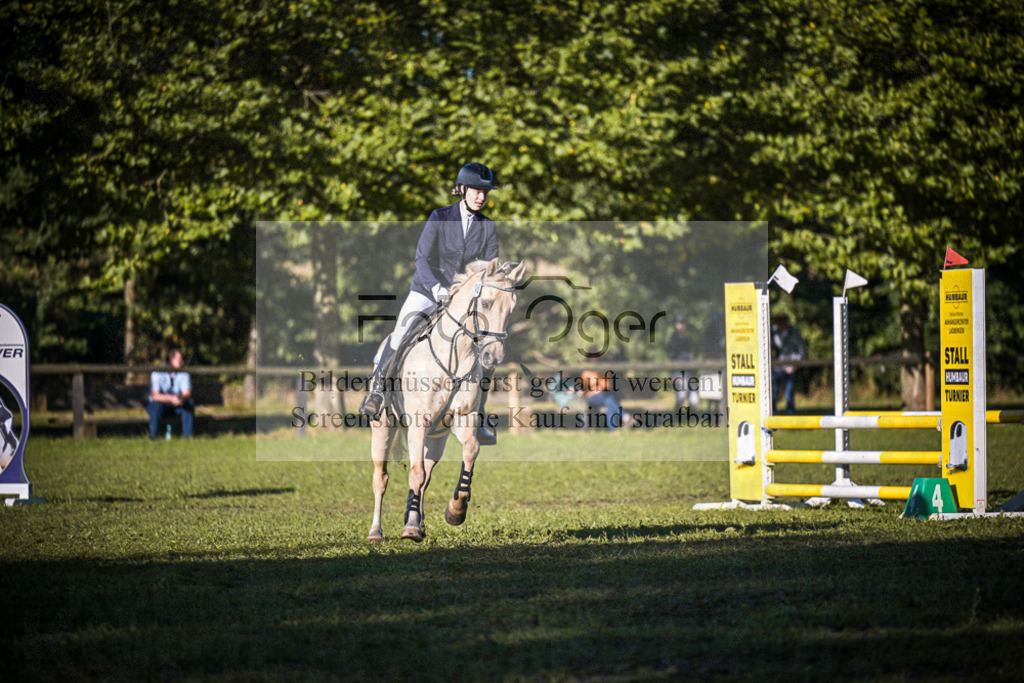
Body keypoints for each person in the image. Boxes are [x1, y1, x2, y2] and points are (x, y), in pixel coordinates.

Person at [359, 162, 501, 444]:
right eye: (476, 190)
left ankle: (479, 415)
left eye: (485, 192)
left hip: (464, 301)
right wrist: (437, 288)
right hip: (427, 290)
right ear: (461, 190)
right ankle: (377, 392)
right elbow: (422, 259)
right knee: (400, 332)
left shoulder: (488, 228)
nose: (481, 196)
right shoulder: (440, 216)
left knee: (485, 346)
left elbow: (490, 271)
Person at [147, 348, 195, 438]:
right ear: (171, 360)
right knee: (155, 407)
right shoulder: (157, 373)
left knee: (189, 404)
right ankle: (153, 437)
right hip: (161, 405)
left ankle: (187, 438)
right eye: (180, 360)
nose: (182, 362)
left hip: (177, 404)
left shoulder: (184, 373)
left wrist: (180, 398)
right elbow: (155, 396)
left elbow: (187, 393)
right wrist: (171, 398)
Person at [771, 312, 806, 415]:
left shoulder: (794, 332)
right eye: (778, 322)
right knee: (773, 393)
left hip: (789, 368)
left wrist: (795, 365)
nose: (780, 324)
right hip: (776, 368)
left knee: (788, 394)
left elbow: (801, 350)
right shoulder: (772, 332)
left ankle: (791, 415)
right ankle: (772, 414)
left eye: (781, 322)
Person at [667, 314, 699, 411]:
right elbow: (673, 356)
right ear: (676, 325)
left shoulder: (686, 339)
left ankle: (691, 418)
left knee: (694, 399)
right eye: (681, 323)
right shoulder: (673, 339)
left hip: (688, 371)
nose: (683, 325)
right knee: (681, 396)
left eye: (684, 323)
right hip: (678, 372)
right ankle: (677, 418)